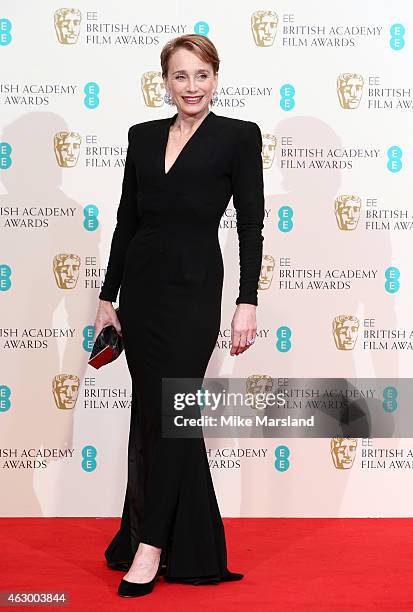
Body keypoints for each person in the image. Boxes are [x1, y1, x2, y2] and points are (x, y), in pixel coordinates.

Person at [93, 33, 265, 598]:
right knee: (154, 414)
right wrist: (106, 295)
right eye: (180, 76)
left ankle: (149, 548)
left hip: (194, 290)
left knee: (175, 413)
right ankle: (186, 543)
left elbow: (249, 226)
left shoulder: (238, 137)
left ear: (216, 78)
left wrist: (247, 301)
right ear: (164, 82)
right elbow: (125, 220)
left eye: (201, 75)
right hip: (141, 290)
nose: (191, 87)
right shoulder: (141, 138)